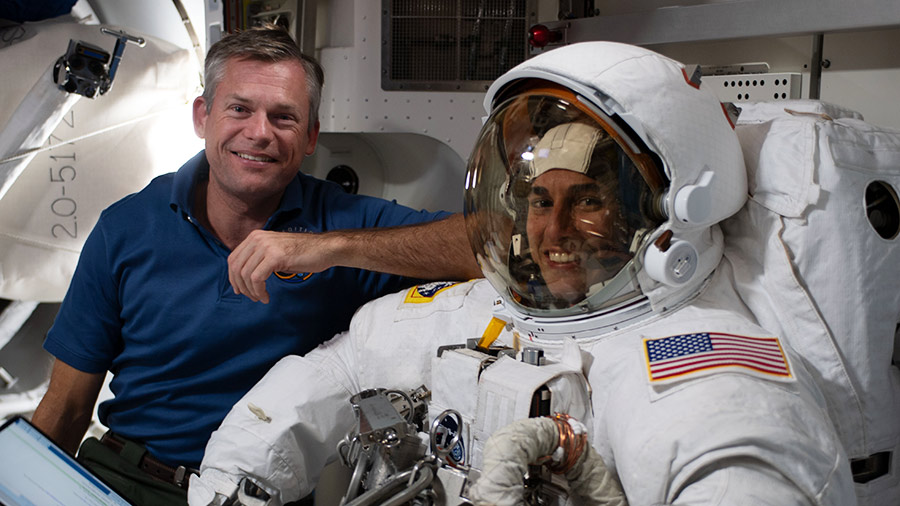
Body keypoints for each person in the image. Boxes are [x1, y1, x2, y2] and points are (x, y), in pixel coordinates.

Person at [189, 41, 857, 505]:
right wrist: (230, 488)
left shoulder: (704, 374)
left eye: (589, 200)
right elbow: (333, 374)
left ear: (666, 215)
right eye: (539, 199)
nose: (553, 229)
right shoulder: (481, 308)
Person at [30, 25, 480, 505]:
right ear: (203, 116)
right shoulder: (126, 227)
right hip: (128, 480)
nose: (260, 133)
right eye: (239, 109)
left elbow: (488, 244)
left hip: (257, 495)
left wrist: (324, 248)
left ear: (310, 137)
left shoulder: (341, 222)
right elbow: (67, 408)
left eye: (283, 117)